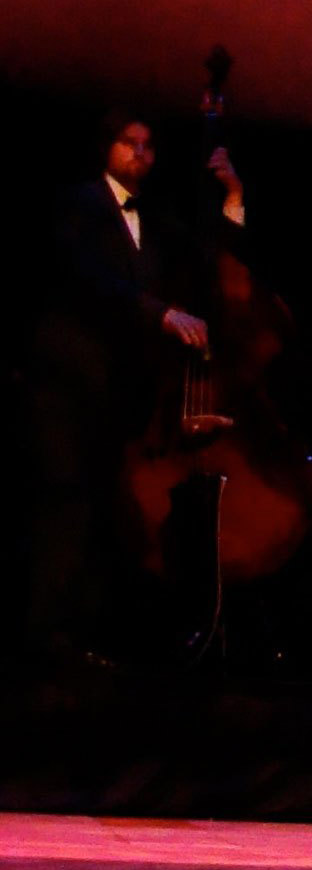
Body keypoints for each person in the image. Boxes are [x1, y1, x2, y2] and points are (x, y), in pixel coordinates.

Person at [19, 110, 245, 665]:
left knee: (103, 513)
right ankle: (39, 639)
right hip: (66, 387)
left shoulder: (158, 221)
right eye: (129, 142)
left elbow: (208, 260)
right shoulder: (79, 204)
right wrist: (160, 313)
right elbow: (86, 278)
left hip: (116, 395)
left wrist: (232, 197)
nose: (140, 153)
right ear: (107, 148)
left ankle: (78, 639)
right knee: (65, 505)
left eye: (148, 145)